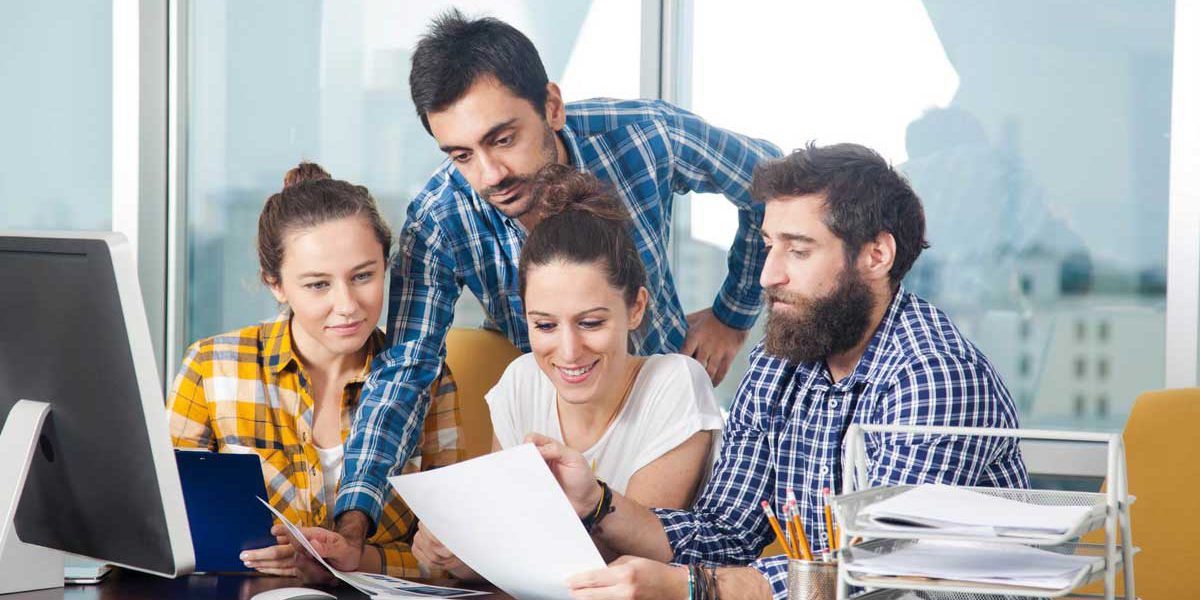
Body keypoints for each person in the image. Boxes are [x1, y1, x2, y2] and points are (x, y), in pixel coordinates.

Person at [331, 9, 782, 563]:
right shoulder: (439, 218)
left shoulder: (645, 136)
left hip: (669, 435)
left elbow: (778, 183)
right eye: (462, 155)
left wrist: (733, 313)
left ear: (551, 106)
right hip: (559, 436)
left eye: (503, 139)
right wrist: (354, 523)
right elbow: (404, 371)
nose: (490, 175)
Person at [525, 143, 1030, 599]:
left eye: (798, 250)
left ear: (876, 255)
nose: (769, 275)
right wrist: (597, 503)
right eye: (769, 245)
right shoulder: (781, 359)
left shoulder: (934, 375)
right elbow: (726, 532)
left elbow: (874, 571)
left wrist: (695, 588)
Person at [409, 166, 725, 580]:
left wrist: (491, 551)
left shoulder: (675, 383)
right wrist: (456, 553)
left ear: (635, 308)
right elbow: (502, 542)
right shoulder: (521, 382)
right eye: (544, 325)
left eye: (591, 323)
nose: (570, 351)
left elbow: (631, 561)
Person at [166, 162, 464, 579]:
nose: (347, 305)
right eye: (318, 285)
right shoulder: (211, 368)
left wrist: (349, 562)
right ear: (275, 283)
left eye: (363, 276)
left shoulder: (427, 379)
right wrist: (255, 558)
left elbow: (449, 556)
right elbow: (164, 530)